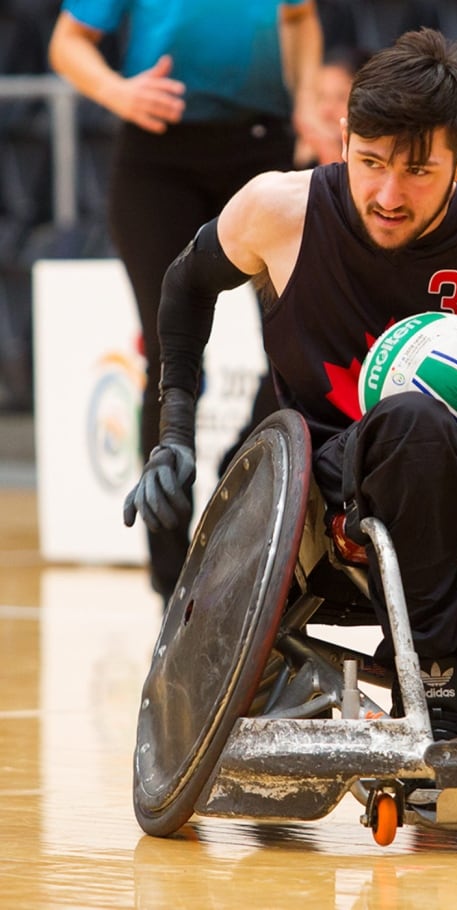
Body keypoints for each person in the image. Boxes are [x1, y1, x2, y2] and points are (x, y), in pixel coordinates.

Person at [123, 29, 457, 741]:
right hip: (344, 471)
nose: (388, 194)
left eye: (419, 172)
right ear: (343, 137)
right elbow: (185, 285)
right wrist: (173, 432)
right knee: (414, 423)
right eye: (369, 163)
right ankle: (428, 669)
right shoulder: (281, 211)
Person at [48, 0, 323, 605]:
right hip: (157, 154)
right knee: (169, 359)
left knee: (296, 345)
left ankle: (236, 480)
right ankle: (171, 584)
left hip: (261, 145)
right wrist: (118, 93)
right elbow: (67, 41)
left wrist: (306, 99)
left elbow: (301, 19)